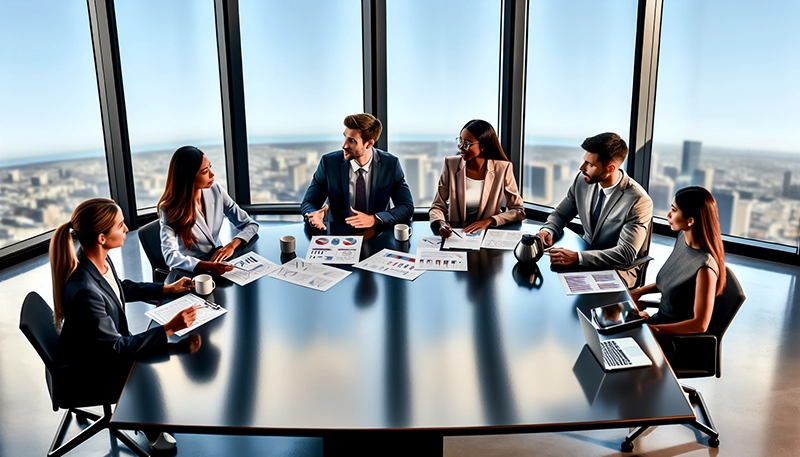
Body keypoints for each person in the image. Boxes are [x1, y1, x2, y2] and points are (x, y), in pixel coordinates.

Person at [51, 198, 201, 451]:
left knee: (163, 348)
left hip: (96, 348)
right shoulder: (84, 290)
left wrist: (166, 287)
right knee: (160, 356)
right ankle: (149, 425)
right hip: (90, 369)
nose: (127, 230)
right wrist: (169, 328)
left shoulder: (95, 260)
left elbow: (120, 288)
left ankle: (147, 411)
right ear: (101, 237)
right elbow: (115, 349)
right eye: (121, 226)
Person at [536, 132, 653, 288]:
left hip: (618, 269)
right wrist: (548, 231)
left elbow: (625, 253)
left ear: (610, 168)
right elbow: (560, 214)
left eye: (590, 165)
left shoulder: (638, 201)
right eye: (584, 161)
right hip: (585, 255)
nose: (582, 167)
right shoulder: (582, 181)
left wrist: (578, 258)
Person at [630, 186, 726, 343]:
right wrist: (638, 292)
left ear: (690, 220)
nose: (668, 214)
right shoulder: (683, 238)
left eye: (674, 210)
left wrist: (653, 329)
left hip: (671, 339)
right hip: (656, 324)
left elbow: (700, 325)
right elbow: (675, 280)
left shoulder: (705, 268)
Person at [301, 113, 414, 230]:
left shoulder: (390, 164)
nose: (344, 145)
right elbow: (309, 202)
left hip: (377, 235)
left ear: (369, 144)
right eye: (345, 137)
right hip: (338, 236)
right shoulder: (329, 163)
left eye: (352, 141)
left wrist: (374, 219)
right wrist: (313, 215)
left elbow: (406, 207)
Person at [158, 146, 259, 274]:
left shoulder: (216, 191)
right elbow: (170, 256)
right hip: (192, 272)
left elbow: (250, 224)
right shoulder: (169, 209)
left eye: (210, 167)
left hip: (220, 261)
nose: (212, 174)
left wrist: (231, 245)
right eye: (205, 171)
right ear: (188, 178)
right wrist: (204, 266)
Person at [429, 119, 525, 237]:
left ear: (483, 145)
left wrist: (490, 220)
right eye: (460, 141)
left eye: (467, 143)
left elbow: (518, 210)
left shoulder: (503, 168)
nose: (460, 147)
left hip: (488, 235)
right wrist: (441, 223)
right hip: (456, 235)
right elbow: (437, 206)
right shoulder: (451, 165)